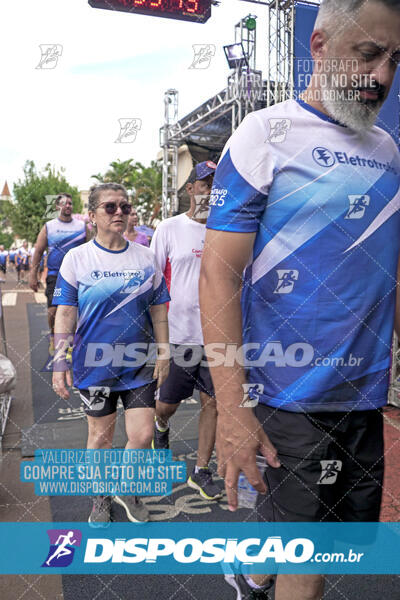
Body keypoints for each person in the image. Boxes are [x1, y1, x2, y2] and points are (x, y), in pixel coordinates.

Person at [200, 1, 400, 598]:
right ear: (318, 46)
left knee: (342, 545)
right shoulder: (265, 133)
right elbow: (217, 277)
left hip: (362, 393)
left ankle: (250, 571)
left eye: (395, 60)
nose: (383, 76)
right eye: (368, 54)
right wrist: (233, 411)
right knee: (307, 562)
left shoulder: (390, 152)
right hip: (287, 394)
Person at [52, 183, 170, 525]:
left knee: (143, 435)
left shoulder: (146, 257)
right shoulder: (77, 258)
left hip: (138, 364)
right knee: (100, 438)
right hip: (95, 366)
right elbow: (65, 313)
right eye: (110, 207)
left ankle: (124, 487)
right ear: (92, 216)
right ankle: (100, 498)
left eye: (125, 206)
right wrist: (61, 360)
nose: (120, 212)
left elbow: (160, 308)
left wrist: (164, 352)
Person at [150, 160, 222, 500]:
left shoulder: (228, 228)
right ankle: (160, 427)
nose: (210, 190)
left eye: (215, 183)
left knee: (213, 404)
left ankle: (201, 470)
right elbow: (152, 284)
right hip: (179, 336)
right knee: (166, 407)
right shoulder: (169, 228)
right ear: (190, 188)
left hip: (218, 337)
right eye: (204, 183)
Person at [29, 193, 88, 355]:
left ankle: (69, 343)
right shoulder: (49, 226)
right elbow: (39, 251)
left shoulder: (81, 226)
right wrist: (33, 275)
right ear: (57, 207)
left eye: (70, 203)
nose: (67, 205)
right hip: (56, 275)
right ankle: (54, 337)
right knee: (54, 310)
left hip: (78, 276)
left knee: (74, 311)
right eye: (64, 203)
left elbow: (90, 250)